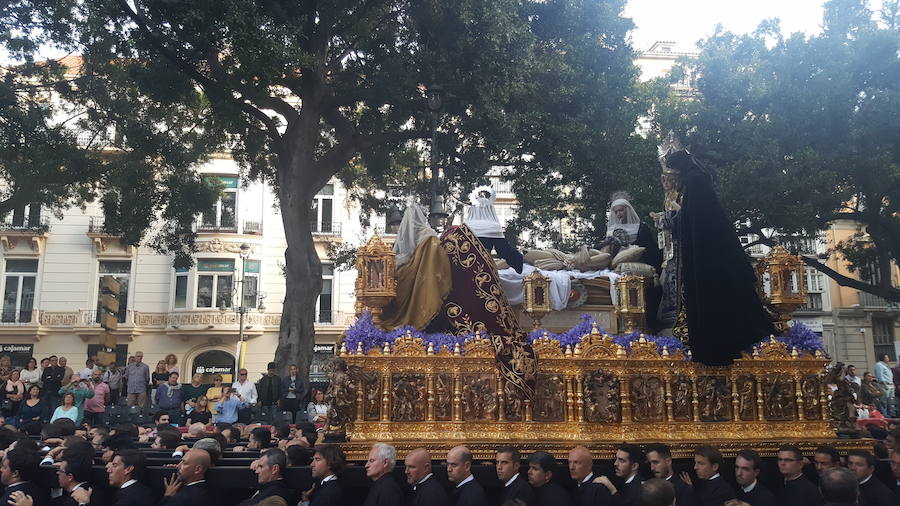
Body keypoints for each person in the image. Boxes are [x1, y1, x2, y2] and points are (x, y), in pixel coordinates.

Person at [655, 146, 776, 365]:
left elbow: (698, 222)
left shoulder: (696, 183)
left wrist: (676, 218)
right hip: (709, 255)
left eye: (672, 176)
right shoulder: (695, 181)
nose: (671, 183)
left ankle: (718, 350)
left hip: (710, 259)